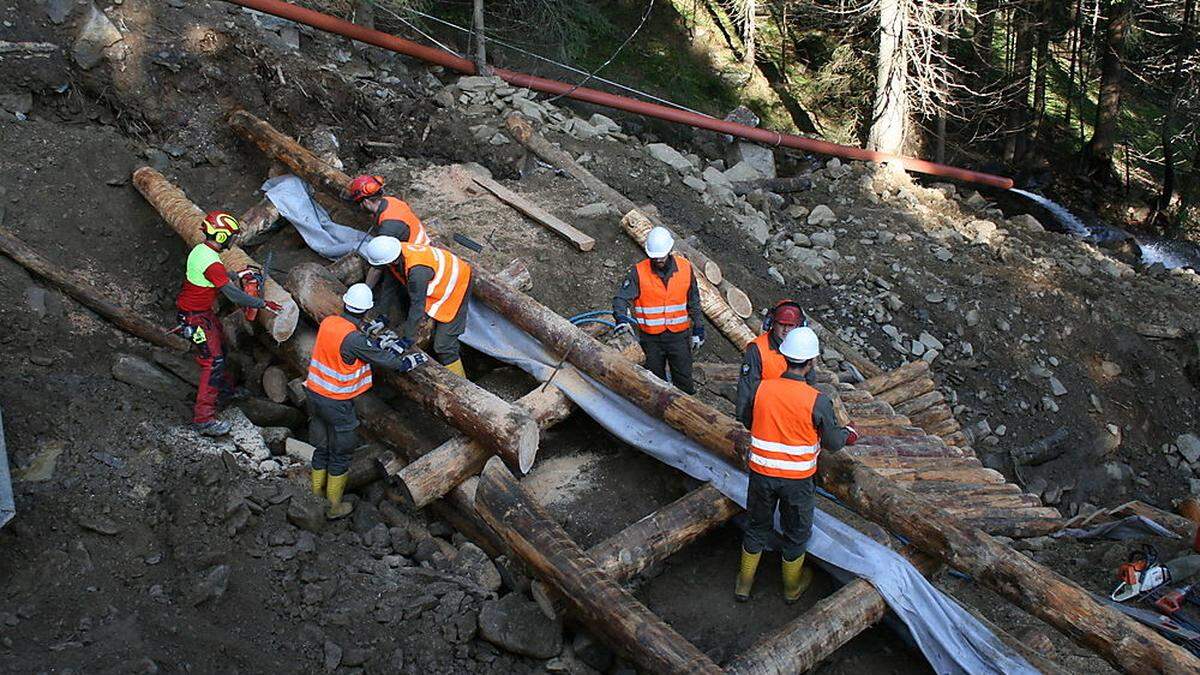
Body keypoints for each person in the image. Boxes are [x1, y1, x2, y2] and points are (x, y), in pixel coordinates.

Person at [735, 327, 858, 604]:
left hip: (761, 473)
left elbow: (746, 417)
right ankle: (791, 588)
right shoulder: (817, 400)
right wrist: (849, 433)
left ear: (785, 356)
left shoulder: (762, 388)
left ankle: (744, 584)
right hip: (797, 481)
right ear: (812, 362)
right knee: (796, 532)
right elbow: (833, 442)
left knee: (756, 526)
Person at [305, 283, 427, 519]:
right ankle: (333, 507)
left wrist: (370, 340)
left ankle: (314, 496)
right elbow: (388, 362)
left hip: (314, 394)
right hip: (337, 403)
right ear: (365, 310)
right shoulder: (354, 340)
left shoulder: (329, 322)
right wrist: (409, 362)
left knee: (321, 448)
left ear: (346, 304)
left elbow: (351, 346)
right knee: (340, 453)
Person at [175, 211, 282, 437]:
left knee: (221, 348)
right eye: (231, 236)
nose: (233, 241)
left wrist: (237, 273)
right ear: (222, 236)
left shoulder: (202, 250)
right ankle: (203, 418)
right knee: (213, 362)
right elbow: (233, 295)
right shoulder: (212, 263)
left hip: (200, 314)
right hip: (196, 318)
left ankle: (224, 391)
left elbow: (218, 276)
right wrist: (261, 303)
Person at [357, 236, 472, 377]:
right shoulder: (396, 253)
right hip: (439, 274)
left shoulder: (417, 271)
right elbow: (389, 286)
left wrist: (408, 339)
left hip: (456, 281)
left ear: (391, 260)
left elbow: (418, 306)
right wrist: (383, 316)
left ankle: (461, 382)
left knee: (444, 345)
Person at [612, 227, 705, 394]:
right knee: (654, 384)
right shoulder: (638, 272)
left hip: (679, 337)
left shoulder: (685, 269)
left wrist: (698, 327)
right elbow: (621, 298)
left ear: (669, 250)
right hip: (651, 339)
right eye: (655, 257)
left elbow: (694, 301)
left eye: (662, 256)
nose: (659, 260)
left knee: (684, 380)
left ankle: (685, 414)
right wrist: (621, 319)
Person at [348, 175, 431, 321]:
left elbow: (377, 268)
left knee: (391, 278)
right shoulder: (391, 201)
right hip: (416, 247)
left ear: (366, 202)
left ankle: (406, 320)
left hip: (417, 259)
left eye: (359, 204)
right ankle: (383, 315)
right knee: (389, 279)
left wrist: (364, 292)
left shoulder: (390, 226)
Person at [736, 299, 811, 423]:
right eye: (782, 324)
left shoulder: (802, 345)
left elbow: (810, 382)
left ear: (799, 326)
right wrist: (741, 419)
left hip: (794, 408)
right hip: (766, 411)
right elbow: (746, 386)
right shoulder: (758, 348)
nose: (786, 330)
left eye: (790, 325)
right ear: (771, 323)